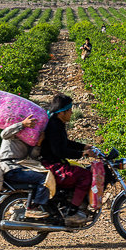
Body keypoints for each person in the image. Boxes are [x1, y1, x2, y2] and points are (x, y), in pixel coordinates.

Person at [41, 94, 93, 225]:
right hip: (52, 165)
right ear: (62, 112)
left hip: (56, 163)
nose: (71, 112)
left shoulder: (58, 123)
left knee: (81, 171)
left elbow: (65, 143)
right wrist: (83, 154)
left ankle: (72, 204)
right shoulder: (54, 126)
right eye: (69, 110)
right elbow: (59, 151)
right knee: (85, 176)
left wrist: (85, 146)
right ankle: (72, 213)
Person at [0, 115, 52, 219]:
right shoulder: (14, 131)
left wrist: (38, 143)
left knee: (46, 175)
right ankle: (33, 208)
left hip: (20, 167)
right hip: (10, 168)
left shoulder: (29, 136)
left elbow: (33, 156)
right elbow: (3, 134)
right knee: (44, 178)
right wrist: (22, 124)